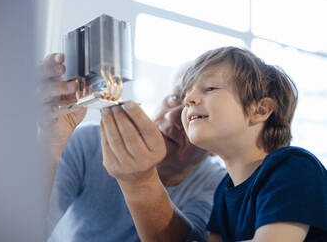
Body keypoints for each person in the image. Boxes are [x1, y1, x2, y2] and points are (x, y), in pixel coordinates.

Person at [101, 46, 327, 241]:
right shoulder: (224, 189)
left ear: (260, 110)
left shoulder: (293, 167)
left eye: (209, 89)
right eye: (186, 94)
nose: (188, 101)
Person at [38, 53, 226, 241]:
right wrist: (52, 143)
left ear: (215, 148)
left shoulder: (220, 186)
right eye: (176, 98)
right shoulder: (88, 143)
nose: (171, 117)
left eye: (197, 115)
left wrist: (141, 182)